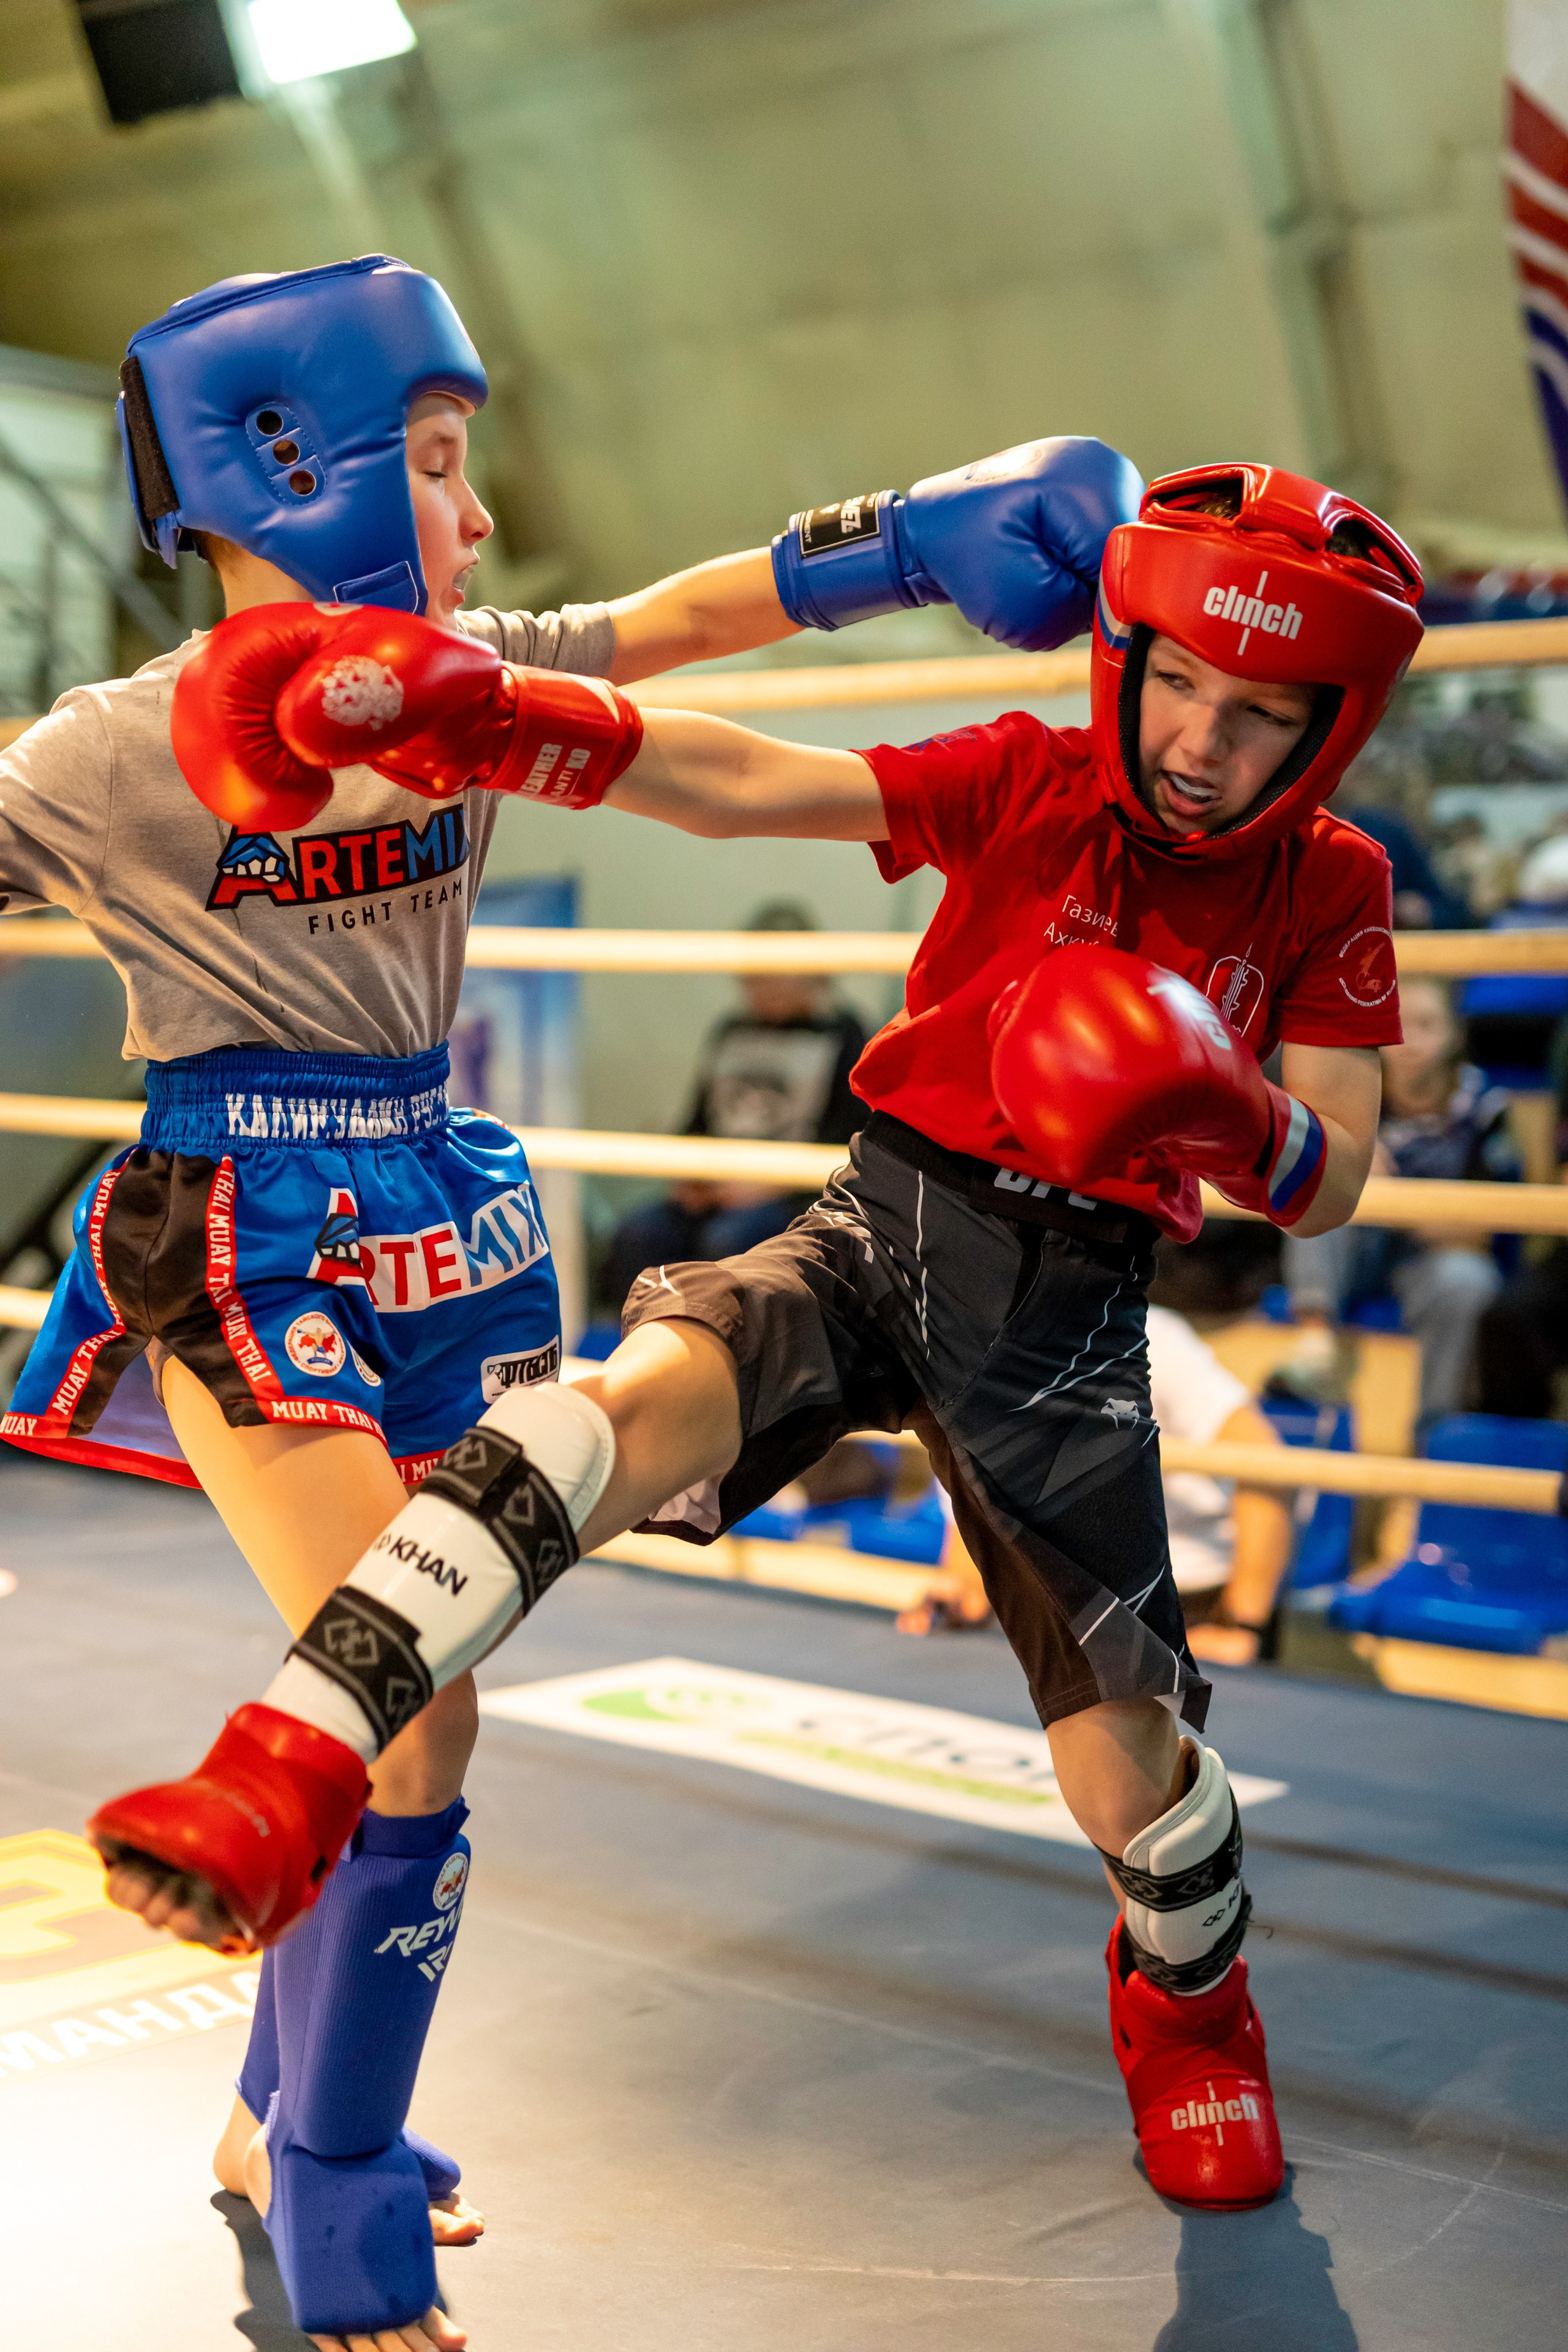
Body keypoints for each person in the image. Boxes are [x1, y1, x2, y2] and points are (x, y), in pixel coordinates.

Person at [1, 254, 1139, 2350]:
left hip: (440, 1191)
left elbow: (673, 623)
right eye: (439, 460)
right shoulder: (103, 756)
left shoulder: (455, 670)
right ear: (294, 465)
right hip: (242, 1221)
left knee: (414, 1696)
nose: (480, 513)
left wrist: (908, 534)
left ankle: (283, 2109)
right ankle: (338, 2187)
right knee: (407, 1706)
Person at [94, 461, 1422, 2219]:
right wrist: (497, 723)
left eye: (1261, 715)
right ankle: (283, 1767)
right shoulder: (1037, 774)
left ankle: (1194, 2019)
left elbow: (1336, 1173)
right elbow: (748, 782)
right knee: (610, 1413)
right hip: (880, 1218)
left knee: (1137, 1780)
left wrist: (1232, 1117)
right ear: (1126, 655)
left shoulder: (1327, 886)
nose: (1200, 741)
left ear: (1328, 729)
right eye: (1177, 681)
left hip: (1069, 1304)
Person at [896, 1303, 1296, 1661]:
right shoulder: (966, 1364)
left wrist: (1242, 1625)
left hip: (1192, 1604)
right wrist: (961, 1600)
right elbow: (976, 1527)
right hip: (1064, 1607)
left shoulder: (1149, 1338)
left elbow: (1266, 1465)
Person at [600, 899, 867, 1311]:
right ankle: (638, 1354)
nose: (755, 985)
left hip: (792, 1195)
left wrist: (771, 1185)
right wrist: (691, 1177)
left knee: (728, 1242)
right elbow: (699, 1120)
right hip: (719, 1186)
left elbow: (847, 1143)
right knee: (638, 1235)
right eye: (750, 975)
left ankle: (725, 1364)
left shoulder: (846, 1037)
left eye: (768, 975)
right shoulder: (732, 1029)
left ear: (813, 974)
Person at [1284, 976, 1520, 1432]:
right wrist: (1352, 1170)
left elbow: (1483, 1232)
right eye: (1400, 1025)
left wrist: (1395, 1198)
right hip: (1362, 1248)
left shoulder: (1484, 1108)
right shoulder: (1355, 1091)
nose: (1411, 1041)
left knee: (1465, 1280)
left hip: (1433, 1260)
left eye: (1428, 1025)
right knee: (1322, 1188)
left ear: (1454, 1034)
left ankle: (1435, 1435)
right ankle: (1314, 1341)